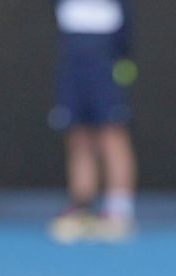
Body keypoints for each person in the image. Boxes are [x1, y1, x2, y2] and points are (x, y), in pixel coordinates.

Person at [47, 0, 138, 243]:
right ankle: (82, 207)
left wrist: (121, 63)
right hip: (73, 67)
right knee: (78, 137)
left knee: (112, 135)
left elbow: (126, 33)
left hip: (106, 67)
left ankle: (119, 210)